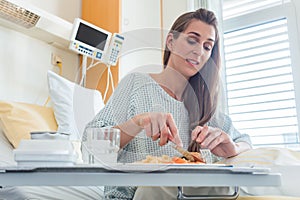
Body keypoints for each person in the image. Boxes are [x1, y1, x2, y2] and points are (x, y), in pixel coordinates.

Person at [83, 8, 252, 200]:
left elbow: (245, 141)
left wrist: (233, 149)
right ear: (171, 41)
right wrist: (137, 122)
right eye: (192, 39)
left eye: (207, 46)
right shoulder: (137, 84)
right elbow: (90, 143)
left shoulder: (207, 109)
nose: (199, 51)